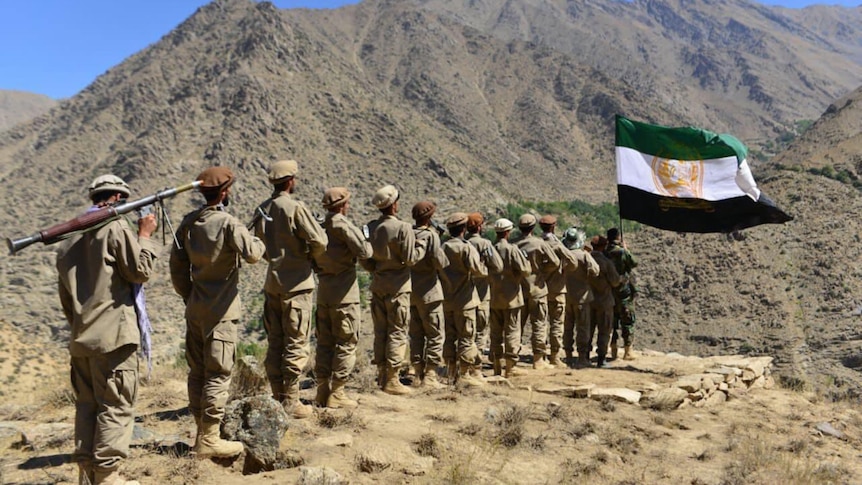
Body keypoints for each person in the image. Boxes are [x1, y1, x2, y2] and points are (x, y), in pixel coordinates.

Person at [57, 175, 157, 485]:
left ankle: (87, 474)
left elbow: (65, 297)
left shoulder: (68, 239)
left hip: (82, 340)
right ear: (116, 199)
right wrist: (144, 235)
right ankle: (108, 477)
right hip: (113, 338)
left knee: (87, 406)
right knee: (116, 406)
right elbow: (141, 270)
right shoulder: (115, 228)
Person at [170, 167, 266, 458]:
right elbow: (253, 254)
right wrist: (258, 238)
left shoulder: (188, 223)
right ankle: (209, 440)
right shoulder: (228, 223)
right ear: (224, 192)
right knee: (217, 374)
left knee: (197, 372)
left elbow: (177, 268)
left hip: (196, 308)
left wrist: (191, 296)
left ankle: (202, 431)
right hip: (221, 311)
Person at [253, 160, 328, 418]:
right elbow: (319, 240)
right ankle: (291, 401)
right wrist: (306, 257)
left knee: (275, 342)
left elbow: (258, 246)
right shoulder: (295, 208)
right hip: (297, 284)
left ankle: (276, 396)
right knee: (296, 342)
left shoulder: (263, 209)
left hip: (273, 283)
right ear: (290, 181)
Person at [363, 184, 427, 395]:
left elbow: (365, 258)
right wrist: (421, 247)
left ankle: (382, 374)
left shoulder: (371, 227)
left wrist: (376, 269)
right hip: (398, 287)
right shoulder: (403, 228)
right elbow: (410, 259)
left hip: (378, 284)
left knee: (381, 331)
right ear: (394, 205)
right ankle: (392, 379)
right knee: (397, 331)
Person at [314, 187, 372, 408]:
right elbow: (365, 252)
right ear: (342, 205)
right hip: (345, 294)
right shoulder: (343, 225)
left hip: (324, 291)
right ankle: (337, 393)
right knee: (346, 342)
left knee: (324, 343)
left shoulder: (319, 226)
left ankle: (322, 391)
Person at [440, 212, 488, 385]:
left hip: (447, 300)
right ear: (463, 229)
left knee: (449, 337)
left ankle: (450, 371)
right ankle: (465, 373)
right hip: (465, 301)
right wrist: (483, 264)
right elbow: (478, 271)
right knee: (466, 338)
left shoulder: (443, 247)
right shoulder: (466, 248)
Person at [408, 201, 449, 388]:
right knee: (435, 334)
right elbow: (441, 262)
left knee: (416, 335)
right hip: (430, 292)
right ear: (430, 217)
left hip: (410, 292)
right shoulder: (431, 236)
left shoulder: (407, 233)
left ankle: (417, 373)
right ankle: (431, 376)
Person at [514, 214, 560, 370]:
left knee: (516, 326)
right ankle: (538, 359)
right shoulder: (539, 244)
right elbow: (555, 262)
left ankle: (512, 358)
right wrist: (541, 273)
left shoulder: (513, 244)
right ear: (533, 228)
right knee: (539, 324)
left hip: (519, 290)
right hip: (537, 289)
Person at [488, 218, 532, 378]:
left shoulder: (491, 249)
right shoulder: (512, 250)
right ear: (508, 232)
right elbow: (526, 270)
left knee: (495, 333)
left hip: (494, 297)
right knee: (512, 331)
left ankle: (496, 366)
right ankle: (511, 367)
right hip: (512, 296)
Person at [538, 215, 577, 368]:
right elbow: (573, 263)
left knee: (540, 323)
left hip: (539, 288)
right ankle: (554, 356)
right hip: (557, 289)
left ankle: (539, 356)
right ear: (553, 227)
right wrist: (562, 269)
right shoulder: (557, 246)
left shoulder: (536, 243)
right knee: (556, 323)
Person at [465, 212, 503, 360]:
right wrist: (484, 270)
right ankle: (476, 365)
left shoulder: (460, 243)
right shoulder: (484, 244)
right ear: (480, 227)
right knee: (480, 331)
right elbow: (498, 266)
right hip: (481, 294)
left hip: (461, 296)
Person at [561, 227, 600, 368]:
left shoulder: (563, 254)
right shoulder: (583, 255)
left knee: (567, 328)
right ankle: (582, 357)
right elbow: (595, 271)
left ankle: (568, 355)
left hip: (566, 296)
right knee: (582, 328)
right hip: (582, 297)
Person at [588, 236, 625, 368]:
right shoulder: (606, 262)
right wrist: (621, 279)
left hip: (589, 300)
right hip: (604, 301)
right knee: (604, 331)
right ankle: (601, 359)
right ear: (604, 246)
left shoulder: (586, 259)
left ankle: (584, 355)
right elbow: (615, 282)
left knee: (588, 329)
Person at [605, 227, 638, 360]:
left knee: (612, 321)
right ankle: (628, 351)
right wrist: (626, 248)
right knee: (627, 320)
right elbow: (634, 263)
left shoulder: (605, 252)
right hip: (624, 291)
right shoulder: (622, 252)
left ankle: (612, 348)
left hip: (609, 291)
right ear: (618, 237)